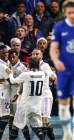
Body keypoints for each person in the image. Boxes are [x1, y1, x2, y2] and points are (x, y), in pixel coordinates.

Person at [50, 1, 74, 140]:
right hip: (64, 70)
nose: (72, 15)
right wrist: (56, 61)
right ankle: (67, 133)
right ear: (64, 12)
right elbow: (53, 49)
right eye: (69, 13)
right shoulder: (59, 27)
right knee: (63, 104)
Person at [6, 57, 45, 140]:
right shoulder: (42, 74)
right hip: (36, 106)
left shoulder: (25, 74)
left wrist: (10, 74)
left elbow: (13, 81)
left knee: (15, 124)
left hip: (24, 106)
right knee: (36, 127)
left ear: (29, 64)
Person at [32, 48, 56, 140]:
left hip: (45, 96)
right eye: (33, 54)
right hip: (36, 97)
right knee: (39, 122)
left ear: (41, 56)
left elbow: (51, 74)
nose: (35, 55)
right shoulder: (31, 67)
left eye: (37, 54)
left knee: (44, 120)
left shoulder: (44, 65)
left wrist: (54, 78)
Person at [8, 49, 30, 140]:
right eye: (10, 57)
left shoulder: (22, 68)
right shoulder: (8, 66)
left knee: (19, 120)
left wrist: (19, 94)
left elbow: (26, 83)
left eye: (14, 57)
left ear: (18, 57)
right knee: (11, 118)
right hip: (10, 96)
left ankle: (27, 138)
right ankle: (12, 137)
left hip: (19, 98)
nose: (12, 59)